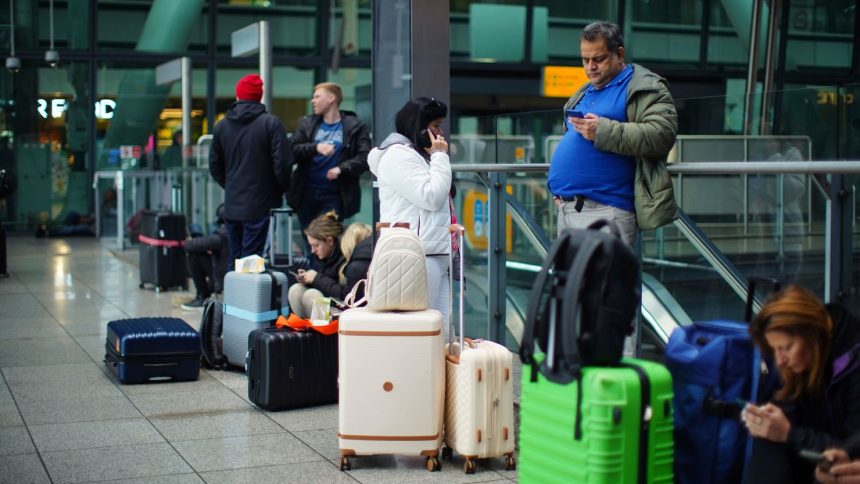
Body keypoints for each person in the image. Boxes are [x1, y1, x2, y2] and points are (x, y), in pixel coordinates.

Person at [547, 21, 678, 246]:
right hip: (568, 210)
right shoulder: (583, 91)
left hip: (607, 212)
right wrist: (560, 192)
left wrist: (603, 131)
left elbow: (662, 133)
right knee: (570, 282)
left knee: (603, 282)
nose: (590, 67)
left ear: (619, 54)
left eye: (598, 59)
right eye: (585, 60)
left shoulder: (644, 86)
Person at [741, 285, 860, 483]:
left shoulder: (853, 359)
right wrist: (769, 422)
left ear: (812, 334)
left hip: (843, 462)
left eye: (786, 348)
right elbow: (788, 415)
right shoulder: (800, 358)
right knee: (767, 441)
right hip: (813, 452)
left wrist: (789, 434)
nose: (780, 360)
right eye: (774, 350)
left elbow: (851, 449)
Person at [367, 97, 453, 328]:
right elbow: (431, 197)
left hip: (434, 252)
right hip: (418, 253)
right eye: (435, 125)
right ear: (419, 126)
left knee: (443, 331)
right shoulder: (398, 156)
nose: (440, 132)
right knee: (424, 328)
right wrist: (440, 156)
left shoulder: (416, 154)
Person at [209, 73, 292, 262]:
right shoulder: (271, 123)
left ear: (238, 96)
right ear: (259, 97)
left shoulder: (222, 126)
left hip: (232, 205)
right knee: (252, 261)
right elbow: (283, 165)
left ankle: (231, 292)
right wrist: (278, 190)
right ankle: (248, 293)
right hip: (261, 204)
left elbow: (215, 165)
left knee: (235, 258)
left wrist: (231, 185)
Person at [288, 82, 372, 246]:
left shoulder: (354, 126)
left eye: (317, 96)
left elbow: (365, 157)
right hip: (306, 193)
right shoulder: (308, 124)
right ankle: (313, 271)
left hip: (335, 194)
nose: (313, 101)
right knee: (310, 241)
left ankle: (324, 271)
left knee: (327, 239)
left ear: (331, 98)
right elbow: (291, 149)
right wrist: (316, 147)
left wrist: (341, 169)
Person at [288, 211, 346, 319]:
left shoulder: (346, 255)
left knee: (312, 295)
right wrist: (307, 280)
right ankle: (306, 333)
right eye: (311, 246)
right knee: (295, 290)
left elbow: (344, 293)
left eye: (316, 245)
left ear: (330, 241)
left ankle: (324, 335)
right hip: (328, 304)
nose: (313, 250)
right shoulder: (322, 255)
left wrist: (316, 278)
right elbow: (322, 285)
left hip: (341, 310)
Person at [181, 205, 230, 311]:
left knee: (194, 254)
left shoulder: (223, 234)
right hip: (229, 275)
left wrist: (186, 241)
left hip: (224, 279)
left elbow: (189, 246)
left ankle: (202, 296)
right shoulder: (241, 231)